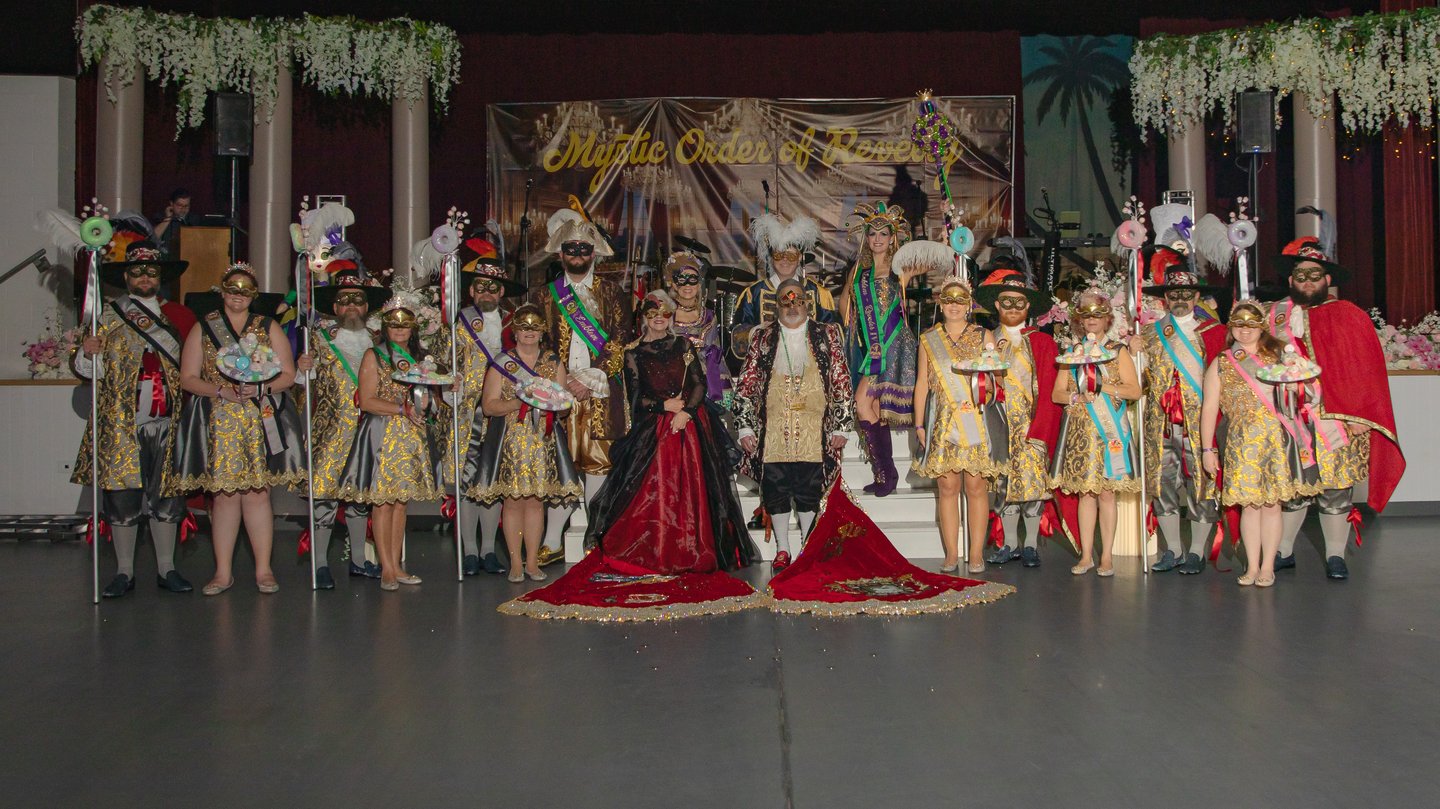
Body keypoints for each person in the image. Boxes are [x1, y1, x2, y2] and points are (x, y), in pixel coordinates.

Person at [584, 292, 758, 572]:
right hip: (655, 428)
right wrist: (663, 405)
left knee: (695, 489)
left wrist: (686, 412)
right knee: (656, 490)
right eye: (653, 315)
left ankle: (694, 547)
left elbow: (699, 383)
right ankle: (659, 548)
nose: (659, 320)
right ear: (644, 318)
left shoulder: (683, 344)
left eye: (665, 314)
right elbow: (635, 398)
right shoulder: (633, 353)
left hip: (691, 424)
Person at [1266, 237, 1404, 579]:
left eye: (1315, 275)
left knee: (1336, 490)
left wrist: (1362, 415)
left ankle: (1335, 556)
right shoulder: (1273, 317)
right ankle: (1283, 551)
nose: (1308, 281)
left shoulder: (1350, 316)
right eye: (1301, 275)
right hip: (1289, 419)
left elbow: (1366, 370)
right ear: (1291, 280)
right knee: (1293, 491)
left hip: (1337, 420)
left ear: (1328, 279)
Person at [73, 240, 198, 597]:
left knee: (168, 496)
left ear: (160, 277)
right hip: (122, 423)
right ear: (126, 277)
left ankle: (167, 568)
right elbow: (89, 371)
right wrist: (87, 353)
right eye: (137, 271)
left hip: (169, 422)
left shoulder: (179, 317)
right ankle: (124, 571)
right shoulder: (106, 317)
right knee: (122, 497)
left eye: (151, 271)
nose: (145, 277)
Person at [173, 265, 305, 595]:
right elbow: (187, 377)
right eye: (232, 289)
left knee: (258, 495)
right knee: (224, 497)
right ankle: (222, 572)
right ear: (222, 291)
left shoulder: (267, 326)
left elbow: (288, 375)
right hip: (219, 421)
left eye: (245, 291)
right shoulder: (204, 327)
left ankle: (263, 570)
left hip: (260, 420)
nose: (238, 296)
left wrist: (261, 389)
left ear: (254, 295)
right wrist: (220, 391)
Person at [530, 201, 631, 568]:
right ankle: (552, 539)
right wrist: (561, 381)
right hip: (558, 391)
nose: (577, 254)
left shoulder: (613, 293)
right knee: (561, 462)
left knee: (598, 463)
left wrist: (590, 378)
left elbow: (621, 339)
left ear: (594, 253)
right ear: (560, 253)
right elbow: (537, 345)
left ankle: (596, 533)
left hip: (599, 390)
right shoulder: (544, 296)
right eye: (570, 249)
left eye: (584, 249)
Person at [1200, 301, 1324, 587]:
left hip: (1276, 439)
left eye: (1251, 325)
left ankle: (1268, 566)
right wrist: (1207, 449)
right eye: (1239, 325)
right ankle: (1252, 565)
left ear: (1261, 327)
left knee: (1271, 505)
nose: (1244, 331)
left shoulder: (1280, 355)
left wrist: (1296, 387)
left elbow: (1309, 391)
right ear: (1231, 327)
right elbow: (1209, 408)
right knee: (1249, 506)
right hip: (1240, 441)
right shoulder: (1222, 362)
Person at [733, 278, 854, 571]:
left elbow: (841, 379)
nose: (792, 307)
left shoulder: (826, 334)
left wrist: (842, 425)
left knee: (809, 489)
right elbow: (747, 383)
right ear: (776, 306)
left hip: (815, 428)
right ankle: (783, 549)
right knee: (775, 488)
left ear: (806, 303)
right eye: (785, 302)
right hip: (773, 428)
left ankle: (807, 548)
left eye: (797, 300)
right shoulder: (763, 337)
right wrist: (745, 426)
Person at [466, 303, 584, 582]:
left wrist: (553, 404)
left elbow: (564, 406)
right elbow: (489, 406)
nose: (529, 332)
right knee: (513, 502)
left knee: (535, 502)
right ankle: (515, 563)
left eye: (535, 327)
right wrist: (519, 403)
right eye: (524, 327)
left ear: (542, 332)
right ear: (515, 332)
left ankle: (532, 562)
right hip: (510, 442)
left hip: (543, 441)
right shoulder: (501, 362)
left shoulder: (553, 362)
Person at [332, 304, 443, 591]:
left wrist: (433, 400)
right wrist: (401, 409)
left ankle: (396, 565)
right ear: (385, 328)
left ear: (413, 328)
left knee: (401, 502)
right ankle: (387, 569)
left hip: (410, 435)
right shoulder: (374, 355)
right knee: (382, 502)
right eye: (394, 325)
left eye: (405, 325)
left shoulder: (422, 358)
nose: (400, 330)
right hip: (382, 433)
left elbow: (430, 397)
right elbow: (367, 400)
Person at [293, 268, 389, 588]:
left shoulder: (380, 341)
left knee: (360, 498)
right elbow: (302, 389)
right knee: (324, 498)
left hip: (369, 430)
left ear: (366, 307)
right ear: (334, 307)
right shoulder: (318, 340)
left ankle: (359, 560)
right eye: (344, 300)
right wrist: (302, 370)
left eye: (357, 300)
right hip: (331, 432)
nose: (351, 306)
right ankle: (320, 564)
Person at [1135, 259, 1228, 575]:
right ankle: (1173, 549)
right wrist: (1132, 353)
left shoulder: (1213, 332)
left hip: (1199, 422)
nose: (1180, 300)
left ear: (1197, 296)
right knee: (1163, 485)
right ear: (1165, 298)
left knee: (1201, 485)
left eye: (1187, 294)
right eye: (1174, 294)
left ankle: (1197, 551)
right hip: (1160, 423)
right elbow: (1140, 381)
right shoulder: (1150, 333)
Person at [440, 242, 525, 576]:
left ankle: (489, 549)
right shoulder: (456, 323)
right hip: (465, 413)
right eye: (481, 287)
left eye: (493, 287)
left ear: (501, 291)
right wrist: (449, 386)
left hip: (503, 412)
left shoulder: (515, 325)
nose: (487, 293)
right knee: (466, 482)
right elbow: (441, 364)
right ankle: (470, 551)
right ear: (471, 291)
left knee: (493, 481)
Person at [912, 278, 1006, 573]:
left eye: (960, 300)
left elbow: (998, 378)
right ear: (940, 304)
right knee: (947, 486)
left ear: (969, 305)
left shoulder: (983, 335)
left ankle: (976, 553)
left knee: (976, 487)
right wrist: (919, 425)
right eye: (949, 300)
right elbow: (922, 384)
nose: (954, 305)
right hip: (942, 421)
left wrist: (989, 387)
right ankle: (952, 553)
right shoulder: (928, 339)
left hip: (975, 419)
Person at [1049, 289, 1142, 577]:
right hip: (1081, 433)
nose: (1092, 320)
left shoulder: (1118, 351)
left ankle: (1107, 556)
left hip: (1109, 432)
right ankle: (1086, 555)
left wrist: (1103, 388)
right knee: (1086, 495)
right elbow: (1057, 394)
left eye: (1098, 315)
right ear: (1079, 319)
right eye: (1086, 315)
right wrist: (1076, 397)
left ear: (1107, 319)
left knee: (1107, 494)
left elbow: (1134, 391)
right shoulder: (1071, 353)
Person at [973, 267, 1061, 568]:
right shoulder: (986, 342)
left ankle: (1031, 544)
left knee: (1033, 485)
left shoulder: (1043, 343)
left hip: (1032, 424)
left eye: (1019, 303)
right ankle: (1009, 542)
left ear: (1029, 306)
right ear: (997, 305)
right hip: (998, 423)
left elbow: (1050, 389)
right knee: (1003, 484)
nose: (1012, 308)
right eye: (1006, 302)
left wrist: (1042, 428)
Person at [839, 202, 920, 496]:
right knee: (872, 407)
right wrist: (855, 327)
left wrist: (950, 236)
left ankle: (886, 472)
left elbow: (931, 261)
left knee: (862, 402)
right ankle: (886, 474)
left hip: (894, 343)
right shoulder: (859, 271)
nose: (877, 239)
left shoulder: (900, 267)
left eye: (883, 234)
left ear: (892, 237)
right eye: (872, 234)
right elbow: (845, 302)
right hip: (873, 346)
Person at [731, 212, 837, 352]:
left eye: (791, 256)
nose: (784, 260)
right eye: (779, 255)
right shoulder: (753, 294)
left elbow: (833, 334)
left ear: (800, 258)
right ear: (771, 258)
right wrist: (758, 331)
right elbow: (737, 335)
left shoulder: (818, 293)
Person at [664, 251, 729, 403]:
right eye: (682, 279)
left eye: (692, 279)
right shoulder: (666, 315)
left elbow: (715, 355)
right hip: (674, 380)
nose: (687, 285)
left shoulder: (709, 316)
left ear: (699, 284)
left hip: (707, 380)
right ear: (673, 284)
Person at [153, 188, 193, 259]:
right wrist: (168, 218)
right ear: (171, 204)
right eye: (179, 205)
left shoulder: (193, 219)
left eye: (186, 206)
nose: (183, 209)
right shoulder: (160, 217)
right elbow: (153, 238)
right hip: (164, 258)